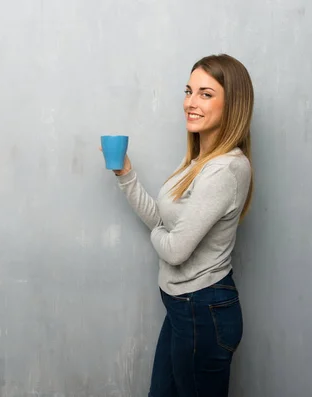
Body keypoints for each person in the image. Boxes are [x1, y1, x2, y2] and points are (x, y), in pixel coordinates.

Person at [107, 54, 254, 396]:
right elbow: (163, 222)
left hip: (203, 312)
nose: (190, 102)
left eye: (205, 94)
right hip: (183, 309)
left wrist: (160, 235)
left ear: (232, 104)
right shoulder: (199, 162)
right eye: (189, 91)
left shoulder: (226, 170)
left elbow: (175, 250)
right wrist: (125, 174)